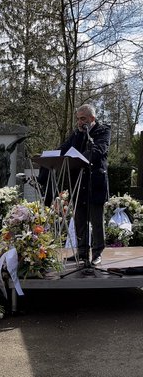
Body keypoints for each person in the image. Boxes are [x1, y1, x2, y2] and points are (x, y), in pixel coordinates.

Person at [62, 103, 111, 267]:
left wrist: (79, 157)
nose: (79, 123)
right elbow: (65, 148)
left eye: (82, 119)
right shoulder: (77, 134)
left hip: (95, 183)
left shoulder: (103, 131)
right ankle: (82, 253)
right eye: (77, 119)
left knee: (96, 220)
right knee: (80, 220)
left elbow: (99, 150)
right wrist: (51, 155)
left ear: (92, 118)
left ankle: (97, 254)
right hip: (78, 184)